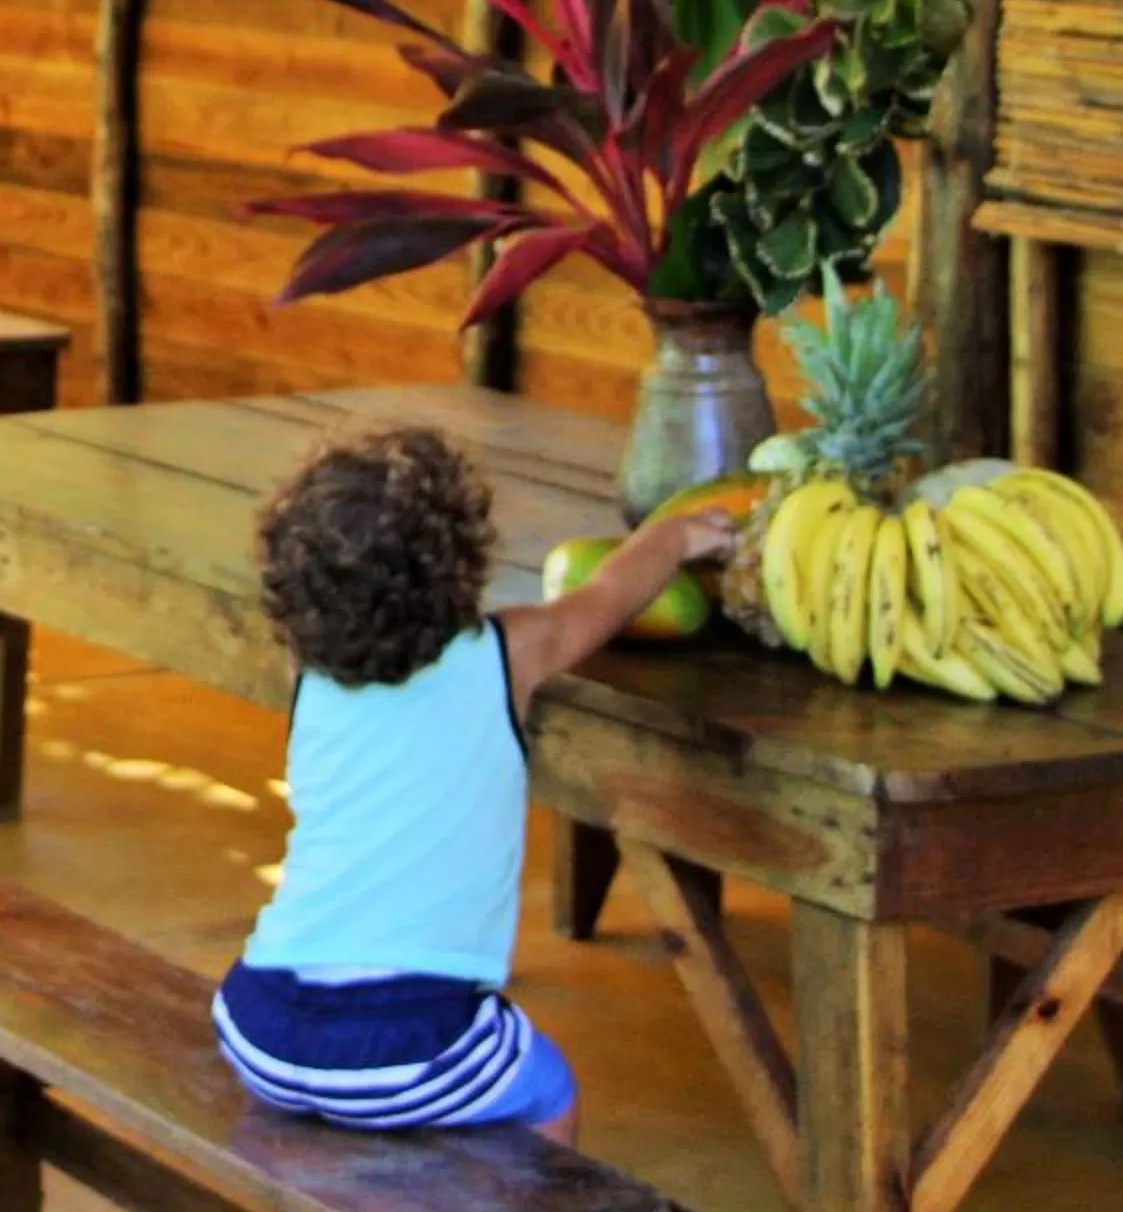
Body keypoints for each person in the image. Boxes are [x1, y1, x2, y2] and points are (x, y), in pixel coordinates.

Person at [210, 424, 735, 1144]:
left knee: (414, 1091)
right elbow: (610, 597)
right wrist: (672, 538)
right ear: (461, 562)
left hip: (260, 1017)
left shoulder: (309, 674)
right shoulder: (506, 654)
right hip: (411, 1033)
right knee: (549, 1094)